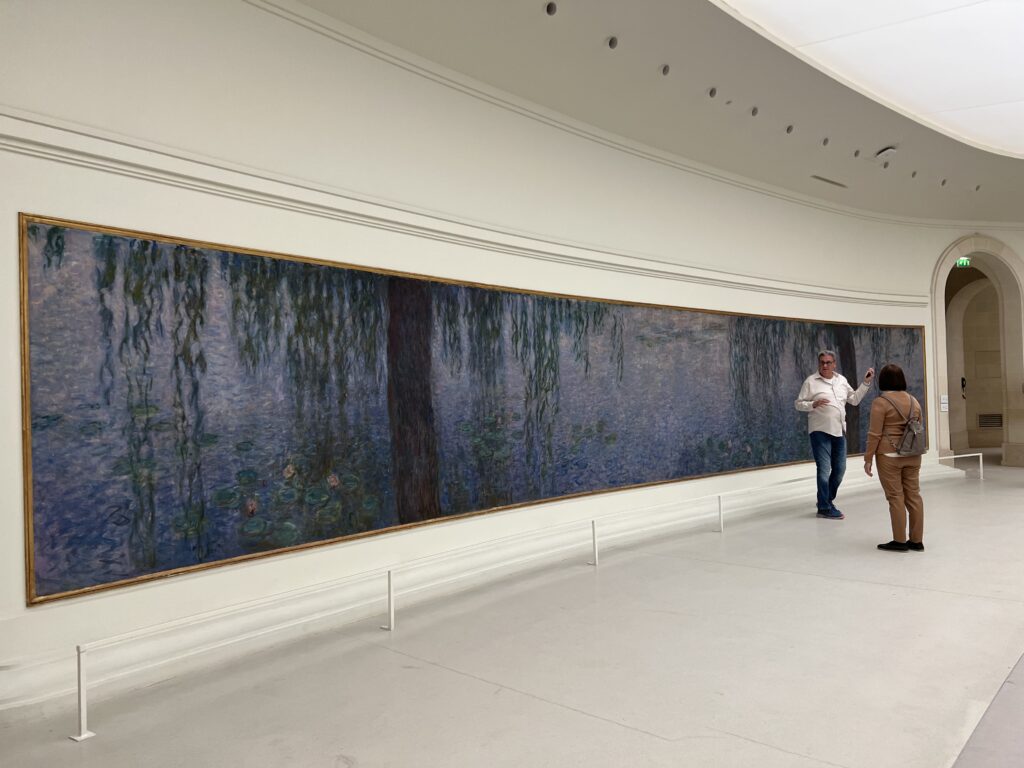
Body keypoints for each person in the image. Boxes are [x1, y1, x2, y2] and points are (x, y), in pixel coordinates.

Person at [794, 350, 874, 519]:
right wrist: (812, 404)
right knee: (824, 469)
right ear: (818, 364)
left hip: (839, 431)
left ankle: (826, 500)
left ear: (834, 364)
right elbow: (798, 404)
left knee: (840, 469)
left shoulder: (841, 380)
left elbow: (854, 399)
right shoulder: (811, 381)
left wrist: (865, 384)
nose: (824, 365)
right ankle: (824, 508)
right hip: (819, 431)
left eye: (828, 362)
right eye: (822, 362)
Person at [863, 363, 925, 552]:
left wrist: (868, 458)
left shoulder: (880, 403)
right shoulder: (914, 401)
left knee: (895, 497)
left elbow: (874, 434)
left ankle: (899, 541)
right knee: (913, 496)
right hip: (913, 454)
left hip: (889, 455)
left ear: (883, 380)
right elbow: (918, 427)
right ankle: (916, 541)